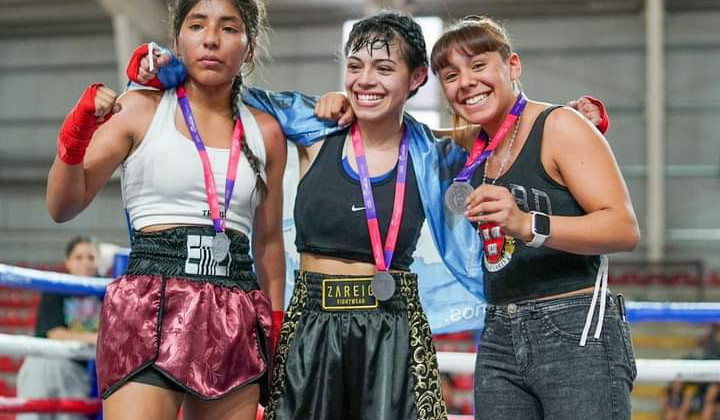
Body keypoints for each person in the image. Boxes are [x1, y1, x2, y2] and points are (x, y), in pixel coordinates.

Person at [125, 12, 610, 420]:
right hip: (310, 323)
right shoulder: (314, 126)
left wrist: (564, 117)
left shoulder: (433, 151)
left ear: (416, 78)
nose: (365, 80)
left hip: (393, 323)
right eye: (355, 67)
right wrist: (162, 68)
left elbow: (502, 134)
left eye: (383, 67)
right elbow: (229, 90)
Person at [46, 1, 287, 419]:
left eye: (228, 28)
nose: (211, 38)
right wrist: (76, 134)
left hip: (235, 304)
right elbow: (62, 207)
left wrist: (277, 323)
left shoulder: (266, 131)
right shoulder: (140, 108)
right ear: (177, 41)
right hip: (149, 303)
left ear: (249, 49)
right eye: (197, 25)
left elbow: (268, 243)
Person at [430, 16, 640, 420]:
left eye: (478, 66)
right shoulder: (474, 145)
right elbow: (404, 136)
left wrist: (529, 224)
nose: (466, 83)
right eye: (451, 75)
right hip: (498, 329)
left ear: (512, 66)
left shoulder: (559, 125)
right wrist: (351, 105)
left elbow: (623, 227)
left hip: (574, 324)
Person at [16, 236, 102, 420]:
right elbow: (55, 333)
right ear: (68, 262)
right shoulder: (55, 287)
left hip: (77, 370)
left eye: (91, 257)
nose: (86, 263)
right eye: (79, 257)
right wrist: (94, 338)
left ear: (98, 263)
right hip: (44, 362)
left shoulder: (106, 292)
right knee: (33, 415)